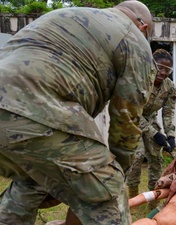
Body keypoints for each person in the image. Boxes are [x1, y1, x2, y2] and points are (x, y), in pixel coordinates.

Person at [0, 1, 156, 224]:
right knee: (107, 191)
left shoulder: (68, 15)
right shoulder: (134, 38)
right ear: (143, 28)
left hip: (16, 114)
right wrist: (118, 168)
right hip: (32, 107)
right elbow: (127, 115)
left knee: (32, 180)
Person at [126, 48, 176, 203]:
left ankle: (154, 196)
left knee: (156, 157)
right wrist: (155, 134)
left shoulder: (169, 87)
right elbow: (133, 112)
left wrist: (170, 135)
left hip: (150, 119)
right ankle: (133, 197)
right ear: (151, 65)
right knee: (137, 156)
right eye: (160, 67)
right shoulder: (138, 81)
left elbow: (168, 113)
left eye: (167, 69)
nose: (163, 72)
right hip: (131, 119)